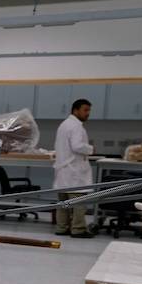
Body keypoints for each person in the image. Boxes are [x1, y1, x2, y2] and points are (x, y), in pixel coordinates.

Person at [53, 98, 95, 238]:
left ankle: (62, 228)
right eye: (85, 110)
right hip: (73, 170)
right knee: (78, 202)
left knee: (63, 203)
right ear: (75, 110)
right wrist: (90, 149)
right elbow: (77, 146)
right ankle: (78, 229)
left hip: (64, 169)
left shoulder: (64, 124)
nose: (88, 113)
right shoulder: (76, 126)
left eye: (89, 110)